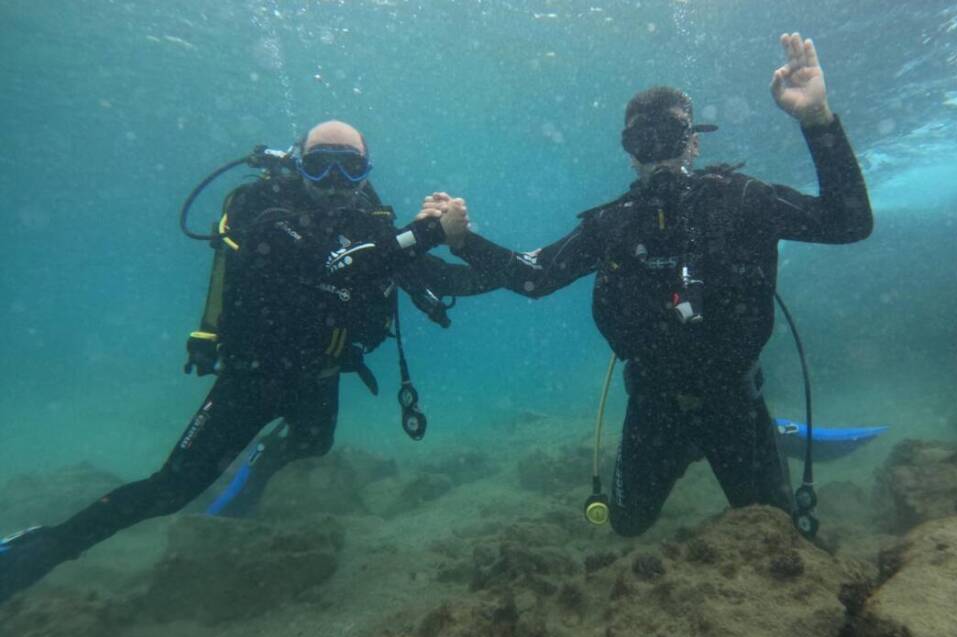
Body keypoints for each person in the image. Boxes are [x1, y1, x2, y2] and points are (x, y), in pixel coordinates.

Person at [0, 120, 486, 603]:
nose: (336, 182)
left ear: (366, 171)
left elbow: (437, 278)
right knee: (172, 488)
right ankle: (47, 546)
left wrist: (470, 248)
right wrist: (423, 232)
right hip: (252, 377)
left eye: (350, 167)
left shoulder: (371, 222)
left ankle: (260, 463)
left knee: (312, 445)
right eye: (321, 167)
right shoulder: (264, 208)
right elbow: (328, 265)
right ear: (299, 167)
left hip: (321, 372)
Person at [427, 33, 873, 536]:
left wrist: (817, 120)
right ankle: (718, 445)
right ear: (630, 154)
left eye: (671, 137)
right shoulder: (612, 224)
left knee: (774, 534)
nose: (658, 153)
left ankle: (776, 433)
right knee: (627, 524)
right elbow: (535, 277)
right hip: (653, 410)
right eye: (644, 142)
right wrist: (463, 240)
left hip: (736, 406)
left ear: (695, 142)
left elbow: (848, 222)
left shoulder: (745, 200)